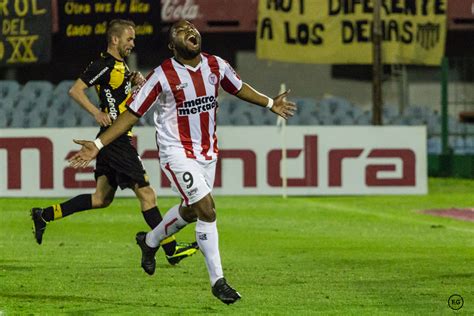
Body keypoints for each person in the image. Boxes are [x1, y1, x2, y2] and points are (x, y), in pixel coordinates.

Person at [69, 20, 296, 305]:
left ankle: (150, 241)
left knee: (190, 211)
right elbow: (132, 113)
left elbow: (238, 88)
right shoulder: (161, 75)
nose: (189, 32)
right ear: (172, 45)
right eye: (180, 31)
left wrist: (269, 103)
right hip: (176, 152)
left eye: (191, 28)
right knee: (207, 210)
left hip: (207, 153)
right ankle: (218, 282)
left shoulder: (216, 65)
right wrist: (99, 144)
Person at [31, 19, 198, 266]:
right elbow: (75, 90)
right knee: (147, 195)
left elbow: (117, 96)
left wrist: (133, 83)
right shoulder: (104, 64)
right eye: (129, 39)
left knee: (101, 199)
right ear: (115, 39)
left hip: (111, 139)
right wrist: (96, 112)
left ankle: (44, 215)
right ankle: (170, 249)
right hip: (116, 139)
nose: (133, 44)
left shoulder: (119, 68)